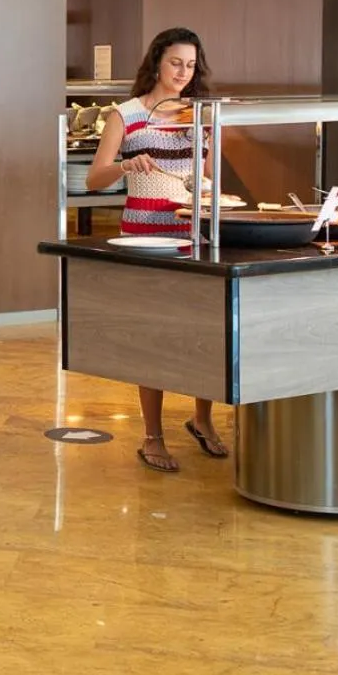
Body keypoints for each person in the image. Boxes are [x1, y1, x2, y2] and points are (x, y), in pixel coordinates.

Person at [86, 27, 229, 473]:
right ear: (156, 63)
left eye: (190, 65)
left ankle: (201, 419)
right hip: (144, 235)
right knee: (153, 336)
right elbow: (95, 178)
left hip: (194, 232)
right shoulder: (125, 116)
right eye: (175, 63)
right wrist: (125, 164)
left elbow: (207, 177)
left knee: (204, 330)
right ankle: (152, 435)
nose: (183, 73)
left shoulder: (200, 115)